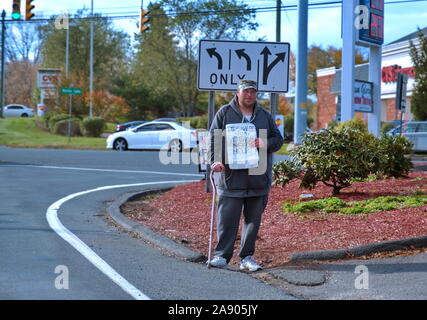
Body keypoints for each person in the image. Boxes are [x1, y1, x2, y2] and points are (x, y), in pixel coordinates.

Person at [208, 79, 284, 271]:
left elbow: (278, 140)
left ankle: (247, 258)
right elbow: (214, 139)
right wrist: (214, 161)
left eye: (253, 92)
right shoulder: (224, 113)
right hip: (230, 179)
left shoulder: (264, 115)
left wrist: (264, 142)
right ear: (238, 92)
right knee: (227, 220)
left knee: (252, 222)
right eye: (246, 91)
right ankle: (222, 256)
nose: (249, 95)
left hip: (258, 179)